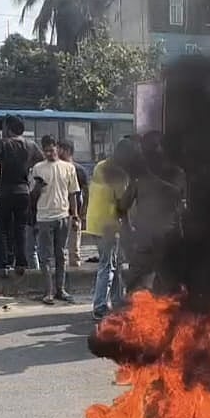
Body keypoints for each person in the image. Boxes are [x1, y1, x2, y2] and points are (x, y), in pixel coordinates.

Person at [119, 131, 186, 294]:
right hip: (153, 238)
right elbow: (122, 207)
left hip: (162, 238)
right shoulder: (144, 176)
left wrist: (128, 230)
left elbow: (122, 207)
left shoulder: (174, 174)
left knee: (163, 283)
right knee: (144, 282)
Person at [0, 114, 44, 275]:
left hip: (6, 191)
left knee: (1, 227)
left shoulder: (3, 143)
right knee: (20, 228)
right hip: (24, 192)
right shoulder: (31, 145)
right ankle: (21, 263)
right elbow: (41, 161)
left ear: (8, 128)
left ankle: (3, 263)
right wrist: (29, 171)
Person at [86, 138, 134, 321]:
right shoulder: (119, 174)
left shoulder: (101, 165)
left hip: (94, 221)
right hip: (107, 224)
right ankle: (99, 307)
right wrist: (129, 227)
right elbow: (123, 205)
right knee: (107, 265)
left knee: (113, 264)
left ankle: (116, 300)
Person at [31, 135, 81, 305]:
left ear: (57, 149)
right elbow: (32, 195)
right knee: (46, 257)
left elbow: (73, 193)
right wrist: (38, 187)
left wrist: (75, 216)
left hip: (62, 216)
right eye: (45, 151)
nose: (49, 153)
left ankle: (61, 289)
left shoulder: (68, 168)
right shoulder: (37, 168)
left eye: (51, 150)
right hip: (44, 217)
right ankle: (48, 292)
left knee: (61, 254)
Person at [58, 139, 90, 268]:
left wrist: (83, 212)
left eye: (60, 149)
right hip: (62, 211)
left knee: (73, 246)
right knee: (67, 245)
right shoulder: (58, 168)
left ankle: (73, 269)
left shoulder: (78, 170)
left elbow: (86, 192)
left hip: (72, 213)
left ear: (67, 151)